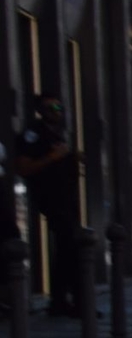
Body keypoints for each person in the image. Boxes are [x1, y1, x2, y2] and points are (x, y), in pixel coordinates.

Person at [13, 96, 82, 317]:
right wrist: (53, 157)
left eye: (59, 107)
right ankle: (64, 301)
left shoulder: (56, 135)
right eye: (51, 107)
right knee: (67, 245)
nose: (56, 111)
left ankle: (66, 300)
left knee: (69, 248)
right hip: (51, 199)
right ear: (41, 110)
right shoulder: (33, 133)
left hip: (66, 199)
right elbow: (24, 167)